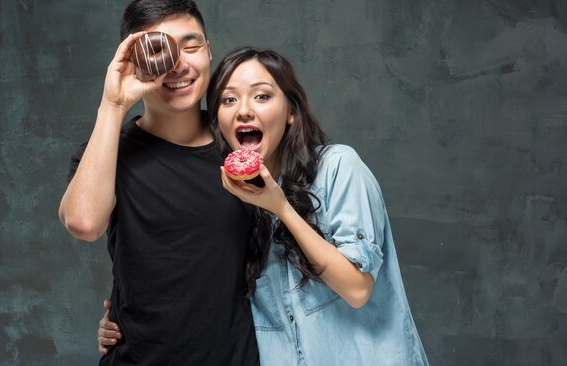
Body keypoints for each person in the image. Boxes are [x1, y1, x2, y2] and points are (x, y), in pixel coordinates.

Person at [99, 47, 430, 365]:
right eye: (229, 99)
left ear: (290, 112)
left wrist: (282, 208)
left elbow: (357, 289)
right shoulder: (232, 202)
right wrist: (123, 320)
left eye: (262, 96)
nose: (244, 110)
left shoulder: (337, 168)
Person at [59, 0, 259, 366]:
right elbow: (84, 223)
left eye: (191, 45)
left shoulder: (242, 143)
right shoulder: (107, 151)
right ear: (135, 62)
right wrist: (114, 104)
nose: (179, 65)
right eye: (160, 50)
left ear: (209, 51)